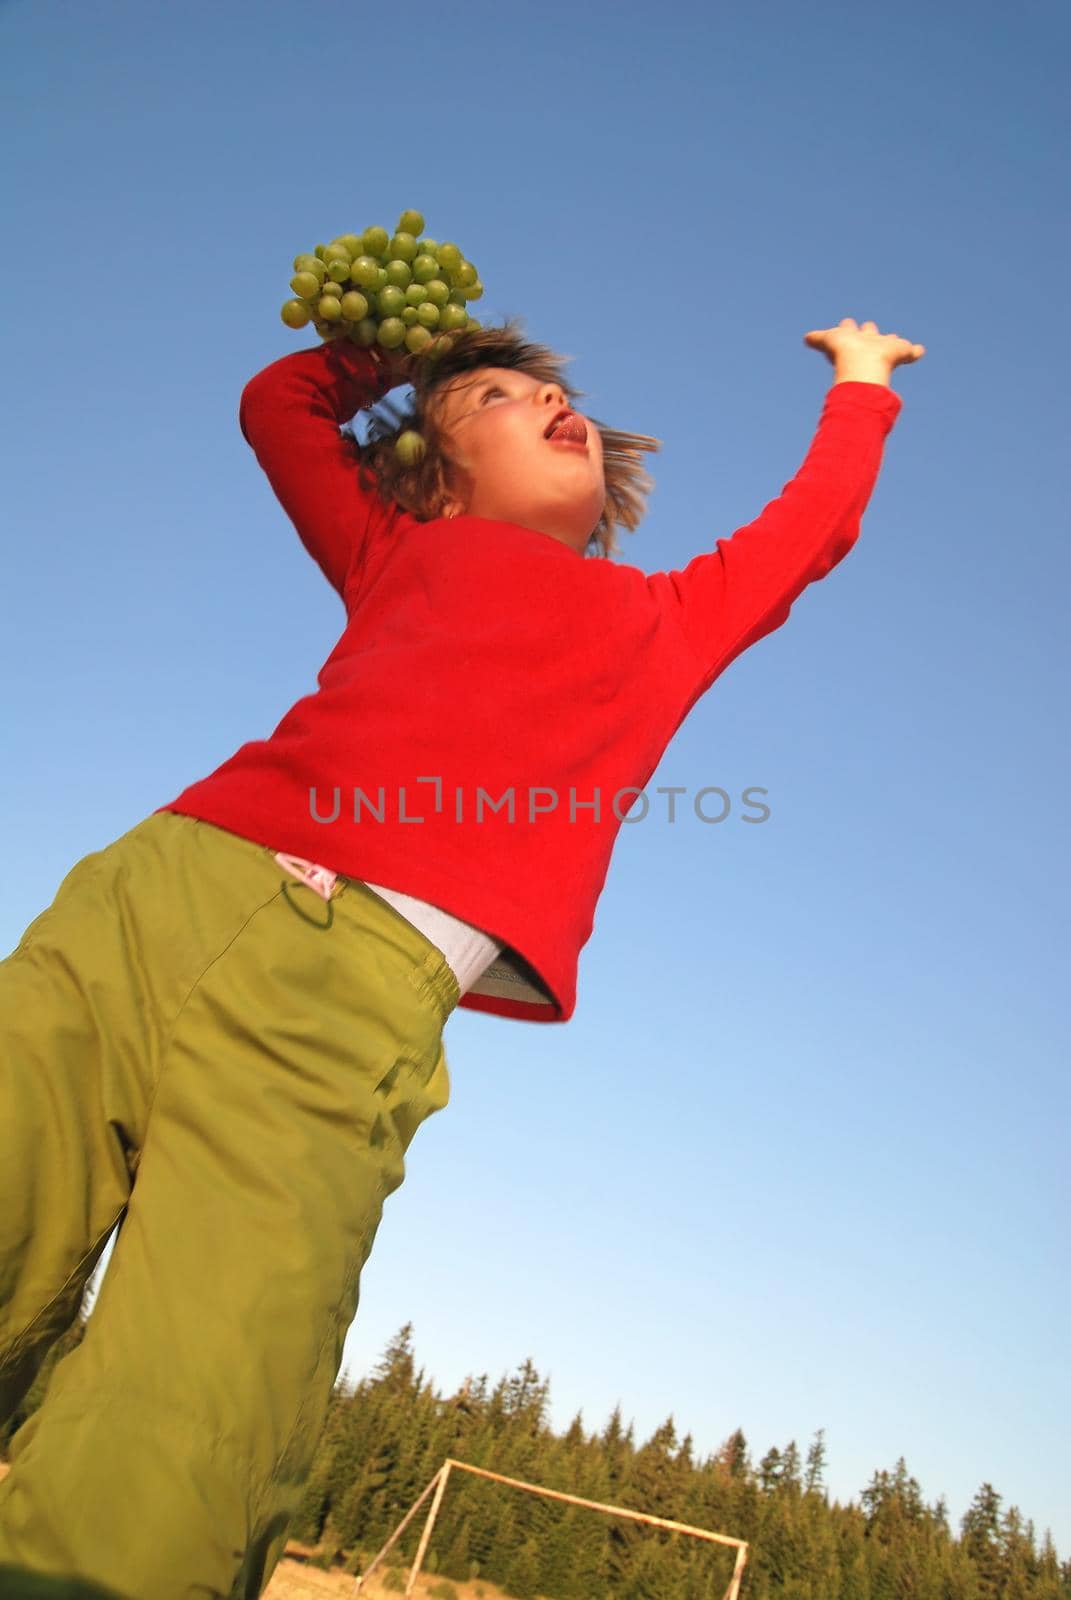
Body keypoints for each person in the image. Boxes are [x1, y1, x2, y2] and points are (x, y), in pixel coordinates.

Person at [0, 313, 924, 1598]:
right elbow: (280, 409)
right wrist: (383, 352)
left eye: (557, 397)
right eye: (496, 395)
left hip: (344, 999)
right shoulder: (393, 551)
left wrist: (863, 386)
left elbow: (812, 526)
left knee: (194, 1401)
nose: (557, 406)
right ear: (431, 473)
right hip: (161, 889)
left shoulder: (665, 620)